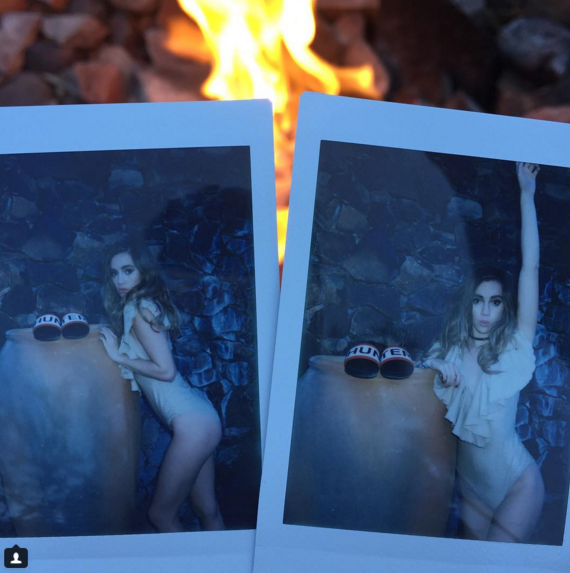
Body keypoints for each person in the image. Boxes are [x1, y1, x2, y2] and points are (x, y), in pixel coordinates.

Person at [422, 162, 544, 543]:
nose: (486, 312)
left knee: (495, 563)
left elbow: (531, 267)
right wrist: (435, 365)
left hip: (517, 484)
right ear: (468, 305)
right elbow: (418, 371)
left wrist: (527, 194)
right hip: (471, 492)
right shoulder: (449, 348)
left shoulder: (514, 345)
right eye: (478, 301)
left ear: (505, 307)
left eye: (495, 302)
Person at [99, 242, 225, 533]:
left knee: (160, 515)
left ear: (143, 271)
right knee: (207, 509)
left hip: (193, 425)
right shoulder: (145, 305)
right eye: (114, 273)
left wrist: (119, 356)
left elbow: (166, 371)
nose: (119, 280)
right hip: (202, 418)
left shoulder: (138, 308)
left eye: (127, 271)